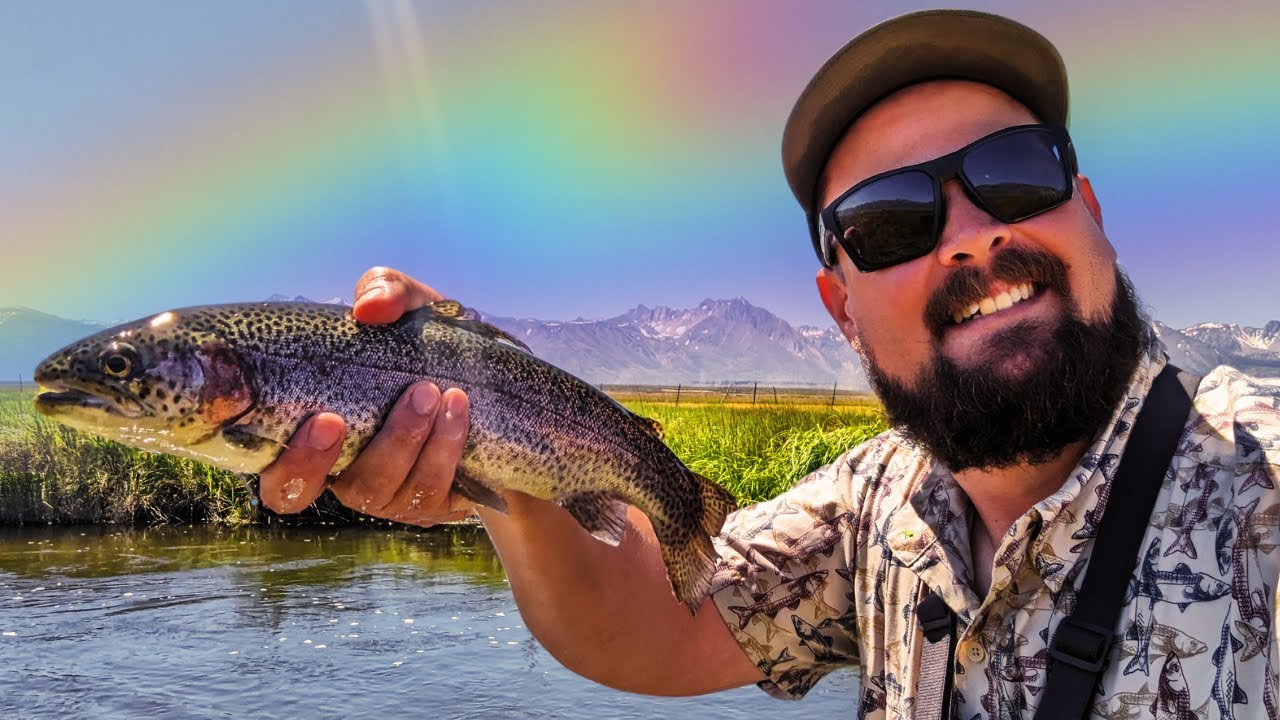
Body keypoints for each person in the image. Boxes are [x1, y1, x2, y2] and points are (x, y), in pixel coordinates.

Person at [255, 9, 1280, 718]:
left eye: (1013, 174)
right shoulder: (874, 507)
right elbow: (652, 632)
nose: (967, 236)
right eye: (890, 223)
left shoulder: (1260, 489)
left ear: (1088, 212)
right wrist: (490, 443)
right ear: (838, 309)